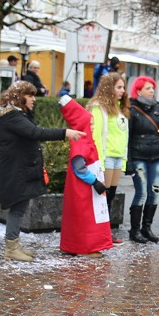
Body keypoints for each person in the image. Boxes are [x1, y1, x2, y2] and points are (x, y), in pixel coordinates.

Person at [0, 80, 84, 261]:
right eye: (30, 95)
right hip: (16, 170)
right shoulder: (13, 117)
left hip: (19, 169)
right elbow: (35, 133)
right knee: (17, 208)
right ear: (19, 97)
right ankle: (11, 248)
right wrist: (65, 133)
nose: (34, 100)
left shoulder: (16, 115)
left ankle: (13, 244)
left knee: (20, 206)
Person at [58, 97, 114, 256]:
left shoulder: (85, 140)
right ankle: (85, 247)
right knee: (84, 218)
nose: (92, 127)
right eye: (90, 124)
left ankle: (72, 245)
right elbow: (79, 168)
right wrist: (95, 182)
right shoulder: (81, 143)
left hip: (83, 188)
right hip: (83, 189)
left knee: (78, 218)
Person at [126, 76, 159, 243]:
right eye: (147, 88)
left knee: (154, 193)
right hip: (139, 157)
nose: (152, 90)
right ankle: (135, 230)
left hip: (156, 157)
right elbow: (128, 138)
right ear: (138, 91)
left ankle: (147, 227)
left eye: (152, 87)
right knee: (141, 193)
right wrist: (129, 162)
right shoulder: (131, 110)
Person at [87, 72, 129, 242]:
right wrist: (99, 161)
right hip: (107, 156)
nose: (123, 91)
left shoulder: (120, 108)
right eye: (119, 87)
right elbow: (96, 135)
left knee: (110, 195)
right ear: (108, 88)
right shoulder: (99, 107)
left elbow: (123, 134)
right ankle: (99, 233)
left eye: (123, 87)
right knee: (102, 197)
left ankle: (106, 233)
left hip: (118, 156)